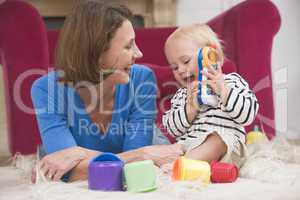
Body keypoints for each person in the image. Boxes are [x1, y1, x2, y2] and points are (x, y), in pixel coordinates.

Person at [31, 0, 183, 182]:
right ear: (96, 53)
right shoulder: (45, 90)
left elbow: (135, 170)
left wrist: (78, 154)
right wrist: (143, 155)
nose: (139, 53)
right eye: (128, 46)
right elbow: (66, 172)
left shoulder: (142, 80)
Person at [163, 24, 259, 166]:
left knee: (217, 139)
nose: (181, 70)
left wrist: (225, 92)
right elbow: (172, 130)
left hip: (226, 150)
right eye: (174, 67)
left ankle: (183, 166)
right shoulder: (182, 95)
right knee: (171, 149)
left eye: (185, 61)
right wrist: (190, 109)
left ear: (211, 55)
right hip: (190, 148)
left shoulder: (231, 82)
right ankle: (186, 164)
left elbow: (248, 115)